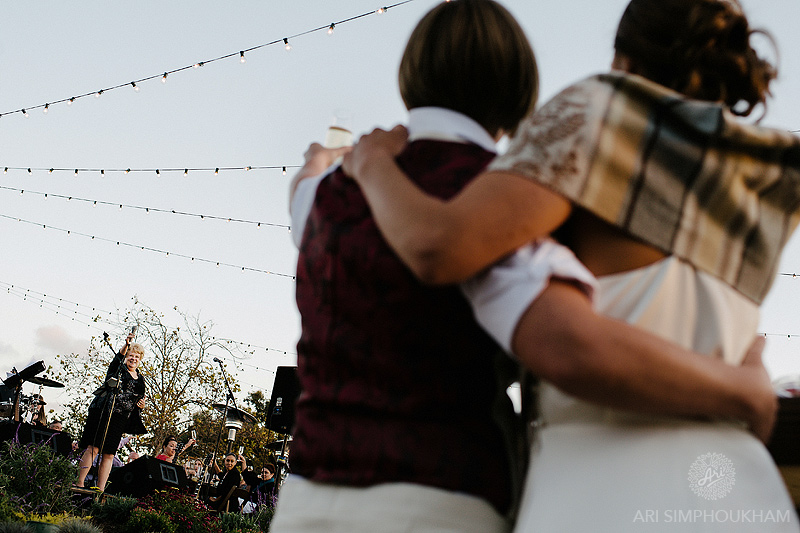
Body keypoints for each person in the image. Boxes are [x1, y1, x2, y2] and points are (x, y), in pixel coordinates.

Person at [281, 1, 779, 531]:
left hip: (306, 503)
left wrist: (331, 159)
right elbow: (565, 343)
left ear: (411, 75)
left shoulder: (327, 196)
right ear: (520, 92)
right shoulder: (505, 207)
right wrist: (743, 389)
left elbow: (301, 192)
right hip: (440, 502)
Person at [75, 330, 147, 491]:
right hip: (104, 412)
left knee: (109, 453)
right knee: (94, 448)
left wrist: (140, 405)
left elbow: (138, 397)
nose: (133, 359)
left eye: (136, 357)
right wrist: (126, 345)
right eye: (130, 355)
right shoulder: (118, 369)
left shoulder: (141, 378)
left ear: (140, 359)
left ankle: (100, 489)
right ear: (127, 357)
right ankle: (79, 482)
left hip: (120, 418)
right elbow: (117, 359)